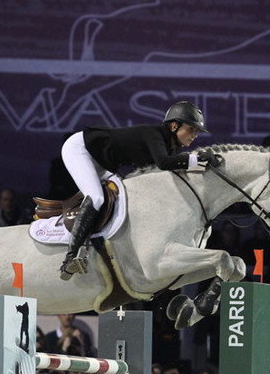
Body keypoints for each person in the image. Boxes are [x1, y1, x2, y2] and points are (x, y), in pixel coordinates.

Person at [58, 101, 213, 279]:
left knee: (124, 197)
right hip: (81, 149)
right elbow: (163, 163)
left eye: (196, 132)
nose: (194, 135)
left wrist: (206, 164)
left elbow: (172, 171)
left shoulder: (172, 146)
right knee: (97, 197)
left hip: (103, 162)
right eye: (191, 129)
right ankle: (70, 257)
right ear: (173, 125)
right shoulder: (154, 135)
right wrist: (197, 159)